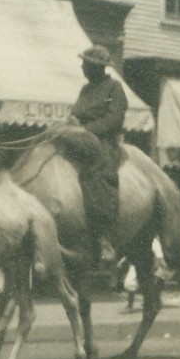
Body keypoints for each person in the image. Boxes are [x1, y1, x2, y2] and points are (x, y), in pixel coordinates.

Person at [64, 44, 128, 268]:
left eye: (86, 64)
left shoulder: (114, 88)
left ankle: (103, 235)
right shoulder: (85, 89)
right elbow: (76, 112)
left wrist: (87, 130)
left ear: (97, 67)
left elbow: (114, 120)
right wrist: (72, 123)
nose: (83, 67)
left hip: (104, 143)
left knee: (96, 175)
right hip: (81, 138)